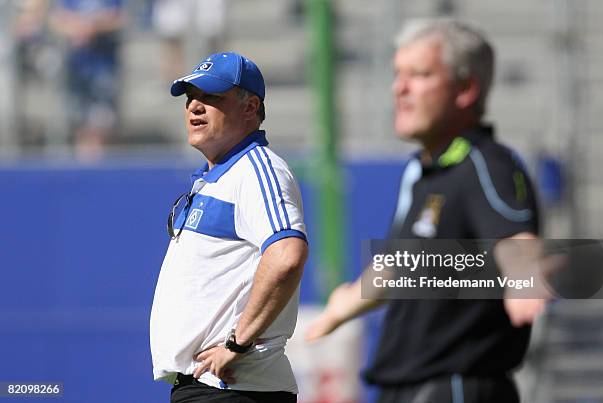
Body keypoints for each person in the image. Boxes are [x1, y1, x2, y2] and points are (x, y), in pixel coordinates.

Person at [306, 18, 544, 403]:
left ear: (465, 89)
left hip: (454, 387)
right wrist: (341, 307)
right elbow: (401, 266)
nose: (399, 88)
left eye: (419, 75)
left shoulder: (486, 164)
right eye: (397, 74)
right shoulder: (424, 172)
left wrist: (523, 279)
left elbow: (515, 238)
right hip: (404, 388)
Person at [150, 52, 308, 403]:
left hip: (232, 389)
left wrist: (238, 342)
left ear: (250, 107)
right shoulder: (219, 176)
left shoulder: (257, 169)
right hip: (211, 388)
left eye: (212, 97)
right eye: (191, 97)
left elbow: (286, 256)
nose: (194, 107)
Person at [50, 0, 126, 158]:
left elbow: (121, 18)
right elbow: (55, 19)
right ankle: (86, 163)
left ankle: (100, 164)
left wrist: (94, 26)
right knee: (80, 121)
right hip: (76, 67)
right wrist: (75, 28)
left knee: (103, 124)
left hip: (103, 66)